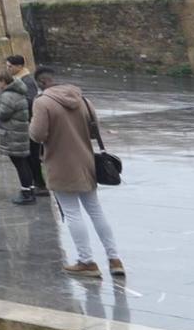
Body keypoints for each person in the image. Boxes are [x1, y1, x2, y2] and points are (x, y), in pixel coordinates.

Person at [28, 65, 123, 278]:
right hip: (86, 161)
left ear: (41, 83)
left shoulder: (42, 102)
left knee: (72, 213)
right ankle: (114, 258)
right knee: (96, 210)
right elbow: (94, 129)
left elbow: (37, 134)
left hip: (60, 163)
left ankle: (86, 261)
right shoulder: (82, 99)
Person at [0, 70, 36, 204]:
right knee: (25, 163)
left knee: (20, 164)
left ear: (3, 82)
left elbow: (2, 113)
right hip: (20, 133)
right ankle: (30, 189)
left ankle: (26, 193)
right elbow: (5, 106)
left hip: (13, 135)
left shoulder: (8, 95)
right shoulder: (16, 92)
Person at [7, 54, 48, 192]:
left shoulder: (27, 81)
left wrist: (13, 104)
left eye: (10, 66)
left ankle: (39, 184)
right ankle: (35, 183)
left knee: (33, 156)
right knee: (29, 156)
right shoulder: (18, 79)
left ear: (19, 66)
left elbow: (30, 101)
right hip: (24, 123)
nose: (8, 69)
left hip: (29, 123)